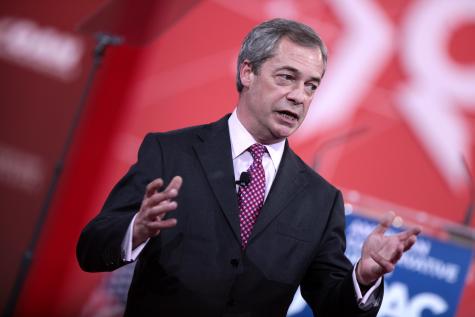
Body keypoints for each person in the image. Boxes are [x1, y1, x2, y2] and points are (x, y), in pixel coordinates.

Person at [77, 18, 421, 317]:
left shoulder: (320, 200)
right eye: (287, 78)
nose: (299, 96)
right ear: (247, 72)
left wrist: (363, 277)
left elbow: (335, 308)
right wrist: (135, 229)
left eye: (311, 85)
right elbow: (91, 250)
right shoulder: (171, 152)